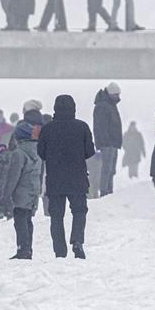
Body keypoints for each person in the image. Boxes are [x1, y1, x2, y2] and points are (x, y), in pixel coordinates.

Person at [37, 94, 95, 258]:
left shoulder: (48, 129)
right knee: (79, 211)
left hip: (55, 178)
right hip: (77, 177)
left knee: (56, 215)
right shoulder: (82, 127)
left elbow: (41, 152)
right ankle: (77, 241)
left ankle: (59, 250)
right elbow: (90, 151)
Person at [0, 121, 44, 259]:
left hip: (21, 192)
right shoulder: (38, 152)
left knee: (20, 221)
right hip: (33, 190)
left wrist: (5, 195)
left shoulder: (18, 153)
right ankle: (28, 248)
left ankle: (23, 250)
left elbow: (13, 176)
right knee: (28, 220)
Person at [93, 82, 123, 197]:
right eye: (116, 95)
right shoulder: (103, 106)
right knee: (106, 169)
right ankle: (105, 192)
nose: (118, 98)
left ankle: (109, 192)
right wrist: (105, 142)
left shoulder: (109, 105)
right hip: (108, 143)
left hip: (112, 143)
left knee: (111, 170)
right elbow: (100, 126)